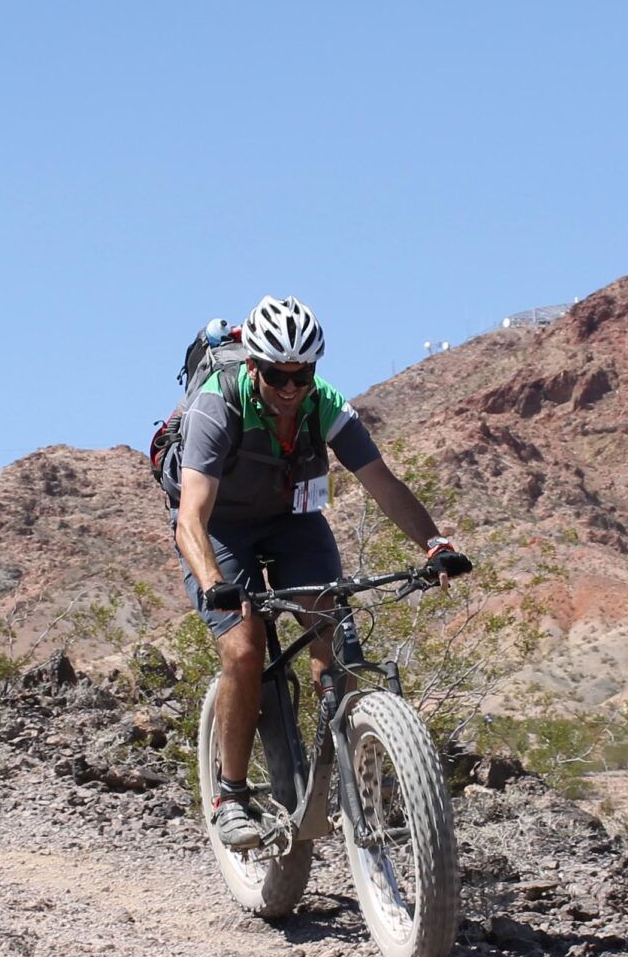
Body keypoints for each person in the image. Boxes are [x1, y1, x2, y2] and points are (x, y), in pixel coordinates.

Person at [172, 295, 471, 849]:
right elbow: (192, 513)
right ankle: (231, 794)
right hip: (221, 528)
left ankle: (360, 782)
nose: (291, 388)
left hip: (291, 521)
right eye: (279, 375)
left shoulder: (323, 404)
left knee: (332, 645)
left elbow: (382, 482)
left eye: (302, 374)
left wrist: (435, 544)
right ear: (254, 366)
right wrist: (214, 582)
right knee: (243, 650)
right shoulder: (218, 406)